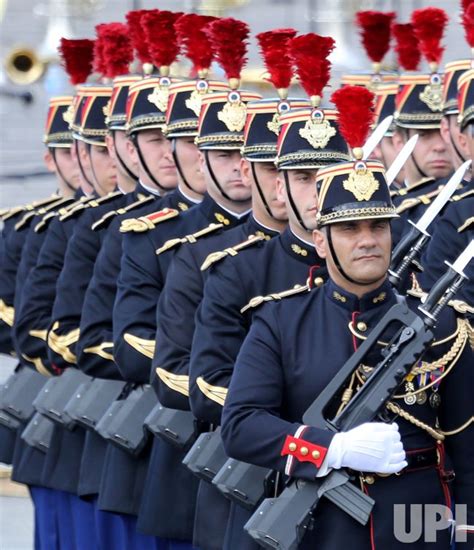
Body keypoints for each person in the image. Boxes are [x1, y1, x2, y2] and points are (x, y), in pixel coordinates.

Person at [221, 94, 474, 549]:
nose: (367, 241)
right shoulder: (282, 320)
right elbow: (241, 425)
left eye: (378, 226)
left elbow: (469, 454)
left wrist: (466, 534)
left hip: (420, 525)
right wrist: (328, 448)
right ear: (321, 241)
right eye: (350, 229)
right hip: (326, 528)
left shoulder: (443, 327)